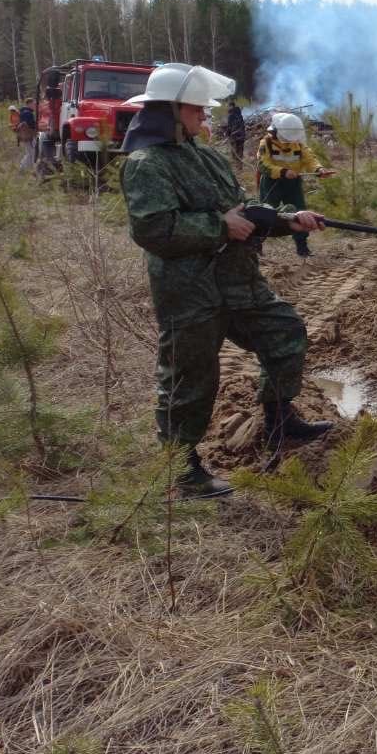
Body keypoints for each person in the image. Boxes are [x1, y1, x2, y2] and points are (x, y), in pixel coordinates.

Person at [119, 63, 332, 497]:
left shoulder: (205, 156)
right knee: (189, 377)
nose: (204, 115)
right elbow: (154, 229)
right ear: (169, 110)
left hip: (237, 281)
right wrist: (220, 227)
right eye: (196, 108)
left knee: (285, 333)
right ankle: (182, 469)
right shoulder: (147, 164)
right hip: (189, 289)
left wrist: (289, 220)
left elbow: (243, 209)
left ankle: (279, 422)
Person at [257, 113, 330, 258]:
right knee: (265, 214)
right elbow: (262, 165)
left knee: (300, 213)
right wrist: (283, 172)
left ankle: (302, 248)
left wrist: (318, 170)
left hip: (293, 183)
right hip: (272, 182)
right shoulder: (266, 143)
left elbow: (310, 159)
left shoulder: (298, 143)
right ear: (276, 131)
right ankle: (255, 245)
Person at [224, 101, 247, 166]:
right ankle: (239, 166)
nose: (227, 108)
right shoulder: (240, 114)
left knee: (234, 151)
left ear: (231, 106)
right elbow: (242, 125)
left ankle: (235, 166)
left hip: (234, 135)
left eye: (228, 106)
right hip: (241, 135)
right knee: (240, 150)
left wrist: (227, 133)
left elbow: (229, 126)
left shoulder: (231, 115)